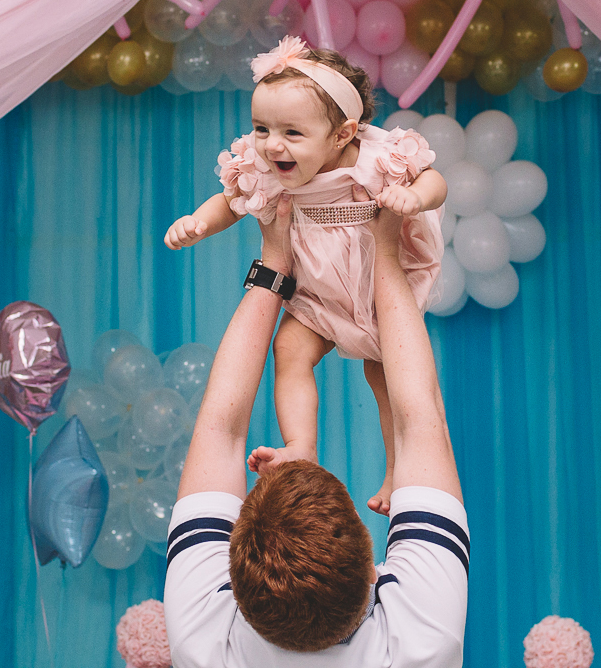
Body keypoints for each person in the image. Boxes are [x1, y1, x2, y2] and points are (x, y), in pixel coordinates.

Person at [164, 199, 467, 666]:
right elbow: (420, 419)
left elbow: (219, 430)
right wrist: (383, 253)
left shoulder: (426, 646)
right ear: (373, 570)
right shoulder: (199, 642)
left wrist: (278, 263)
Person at [164, 36, 446, 514]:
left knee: (386, 376)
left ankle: (399, 470)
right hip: (318, 289)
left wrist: (414, 199)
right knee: (288, 348)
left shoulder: (376, 158)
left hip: (374, 278)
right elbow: (232, 203)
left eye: (292, 133)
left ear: (342, 134)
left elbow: (433, 180)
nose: (272, 145)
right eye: (260, 128)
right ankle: (301, 446)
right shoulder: (266, 166)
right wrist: (199, 223)